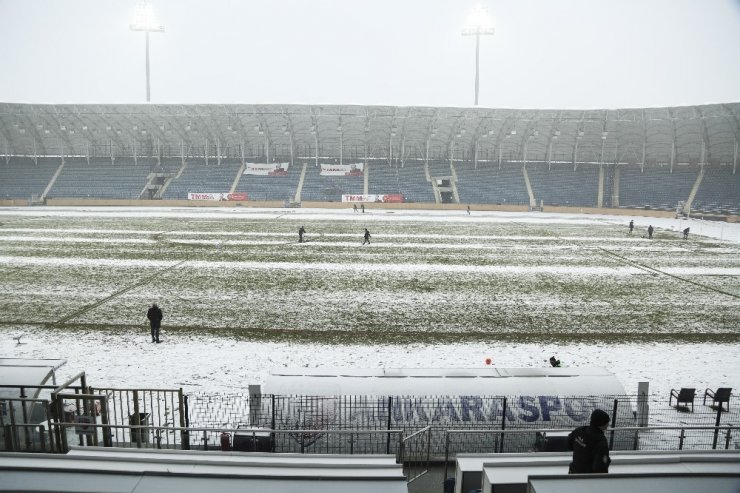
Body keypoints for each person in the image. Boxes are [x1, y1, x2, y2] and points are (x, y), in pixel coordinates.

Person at [567, 409, 611, 474]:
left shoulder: (579, 430)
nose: (608, 424)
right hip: (587, 478)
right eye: (607, 422)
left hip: (573, 472)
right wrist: (607, 460)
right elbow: (599, 468)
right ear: (601, 424)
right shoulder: (601, 441)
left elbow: (568, 445)